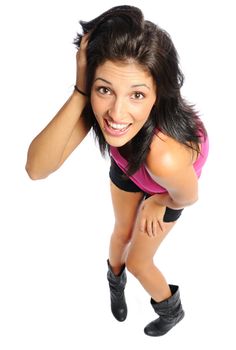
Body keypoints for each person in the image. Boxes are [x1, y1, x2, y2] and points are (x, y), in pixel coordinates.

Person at [25, 5, 209, 337]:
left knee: (139, 262)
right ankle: (114, 281)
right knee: (121, 233)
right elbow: (37, 169)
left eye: (137, 94)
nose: (116, 114)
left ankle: (171, 310)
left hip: (168, 188)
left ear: (157, 95)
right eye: (104, 89)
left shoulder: (164, 156)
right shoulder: (107, 114)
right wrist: (81, 90)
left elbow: (190, 195)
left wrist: (159, 200)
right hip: (130, 163)